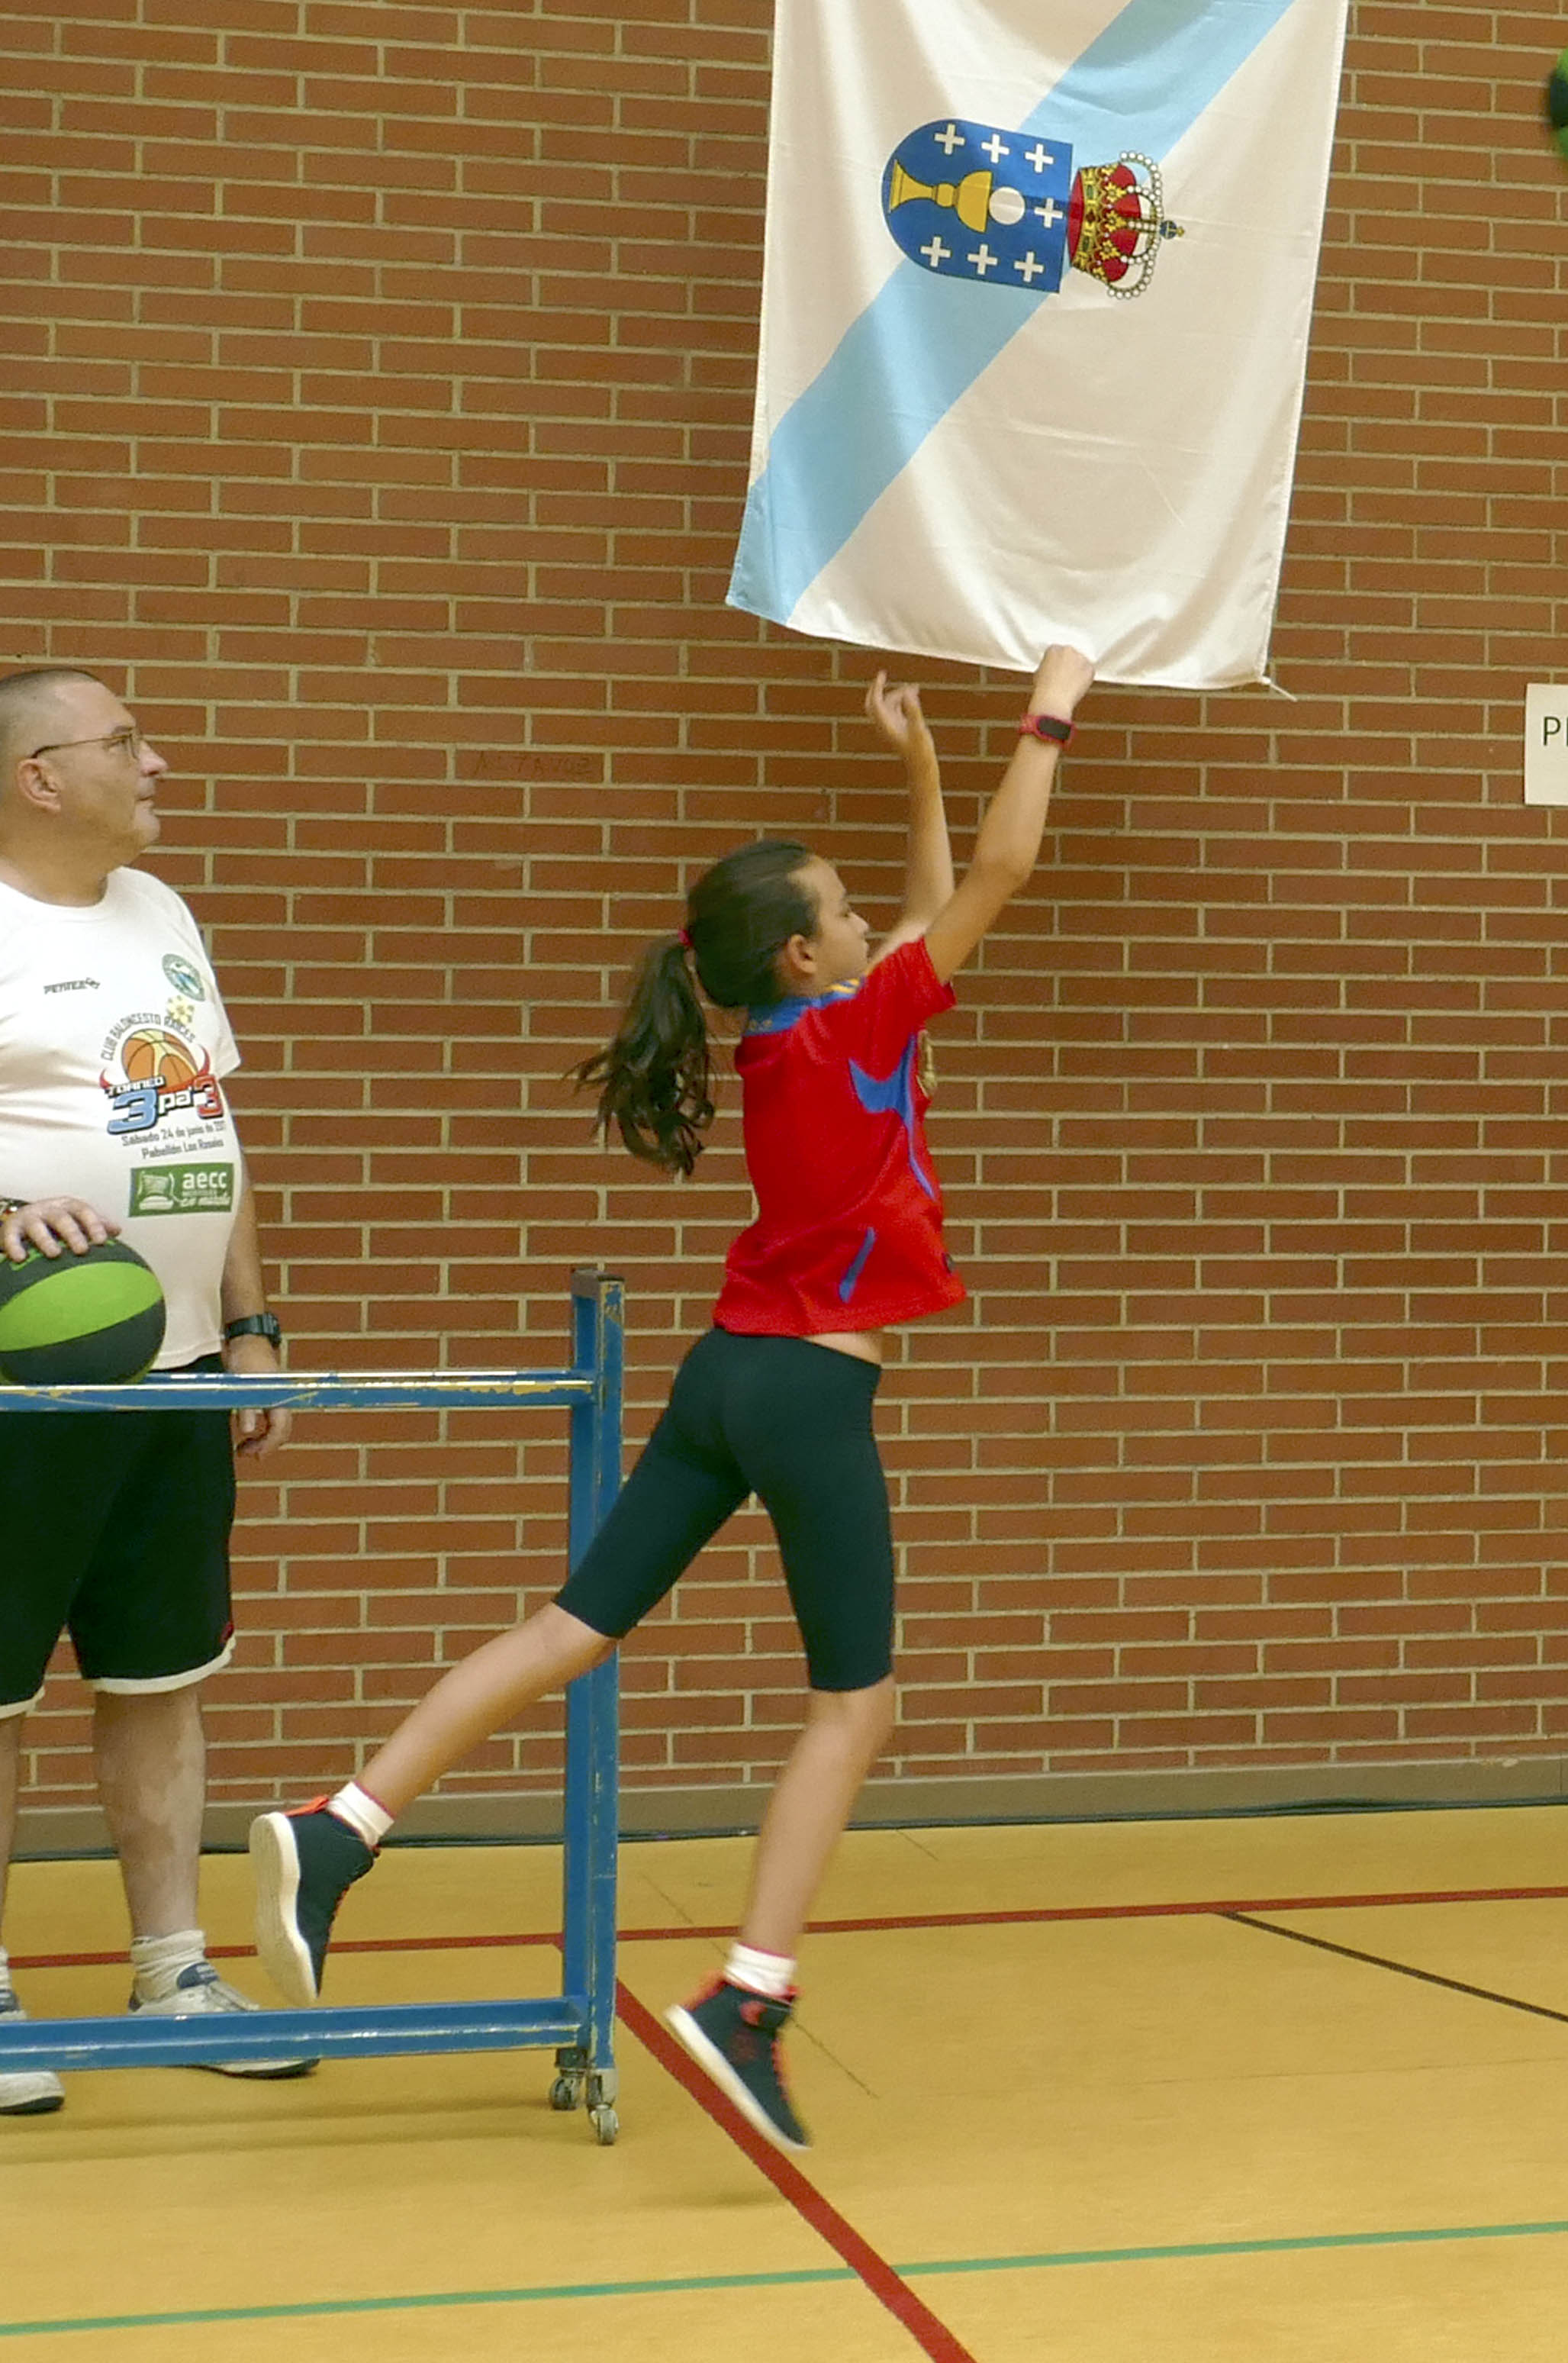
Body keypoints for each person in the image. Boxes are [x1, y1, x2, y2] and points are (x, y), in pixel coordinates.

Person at [250, 648, 1095, 2149]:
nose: (871, 923)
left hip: (724, 1374)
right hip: (808, 1392)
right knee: (857, 1703)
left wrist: (917, 766)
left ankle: (342, 1826)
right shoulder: (855, 1026)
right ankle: (748, 1998)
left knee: (571, 1628)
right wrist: (1054, 706)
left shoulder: (798, 1032)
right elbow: (1003, 872)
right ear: (804, 955)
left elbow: (928, 904)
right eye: (842, 912)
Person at [0, 669, 312, 2120]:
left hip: (179, 1371)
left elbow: (210, 1122)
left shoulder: (163, 911)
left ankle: (174, 1970)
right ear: (39, 776)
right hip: (23, 1389)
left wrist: (249, 1323)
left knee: (159, 1677)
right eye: (124, 741)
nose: (157, 760)